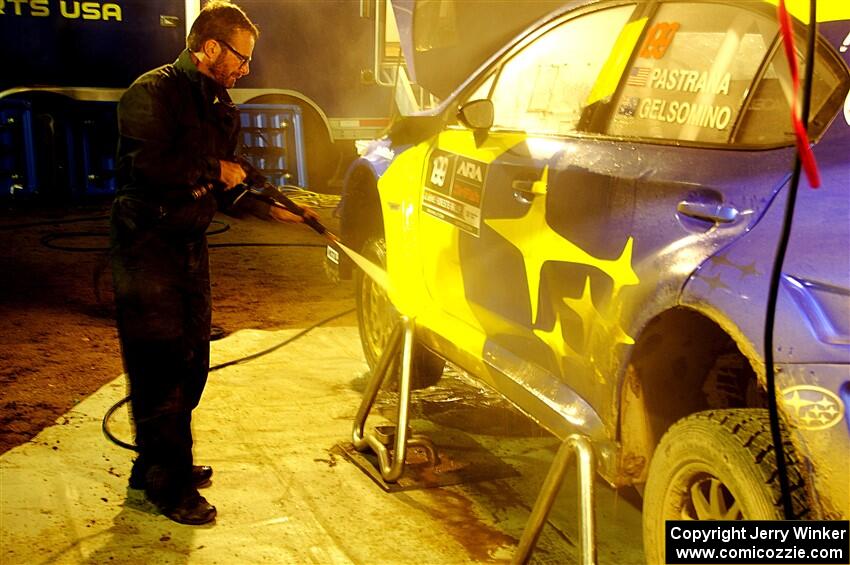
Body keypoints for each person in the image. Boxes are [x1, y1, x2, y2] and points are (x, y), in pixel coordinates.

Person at [110, 0, 316, 525]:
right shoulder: (150, 92)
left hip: (188, 250)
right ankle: (167, 485)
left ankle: (157, 464)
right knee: (161, 371)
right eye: (241, 58)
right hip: (147, 250)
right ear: (209, 48)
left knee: (191, 364)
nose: (246, 69)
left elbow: (225, 189)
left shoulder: (217, 102)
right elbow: (148, 164)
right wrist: (215, 166)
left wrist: (272, 210)